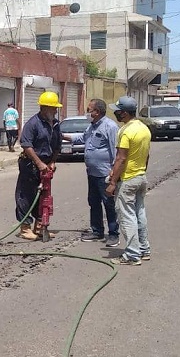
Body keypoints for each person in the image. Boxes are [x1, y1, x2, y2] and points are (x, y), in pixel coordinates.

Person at [63, 98, 120, 247]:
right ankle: (97, 231)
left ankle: (113, 234)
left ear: (98, 112)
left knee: (108, 203)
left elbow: (116, 151)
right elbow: (82, 138)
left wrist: (114, 174)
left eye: (89, 110)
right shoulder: (91, 126)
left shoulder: (110, 126)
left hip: (105, 174)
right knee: (93, 202)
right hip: (92, 173)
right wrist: (62, 136)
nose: (87, 113)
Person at [106, 96, 151, 266]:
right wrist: (141, 172)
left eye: (117, 111)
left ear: (124, 113)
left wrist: (112, 183)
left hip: (128, 179)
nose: (116, 113)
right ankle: (144, 249)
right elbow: (147, 155)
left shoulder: (125, 131)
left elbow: (121, 159)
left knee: (127, 217)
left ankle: (132, 254)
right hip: (140, 177)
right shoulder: (144, 128)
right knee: (140, 214)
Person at [15, 91, 62, 240]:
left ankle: (40, 227)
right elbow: (26, 145)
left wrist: (52, 161)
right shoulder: (33, 123)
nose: (55, 111)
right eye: (53, 108)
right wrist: (39, 163)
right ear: (44, 108)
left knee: (43, 196)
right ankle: (25, 228)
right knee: (26, 196)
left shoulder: (55, 124)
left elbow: (57, 145)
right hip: (31, 165)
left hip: (46, 165)